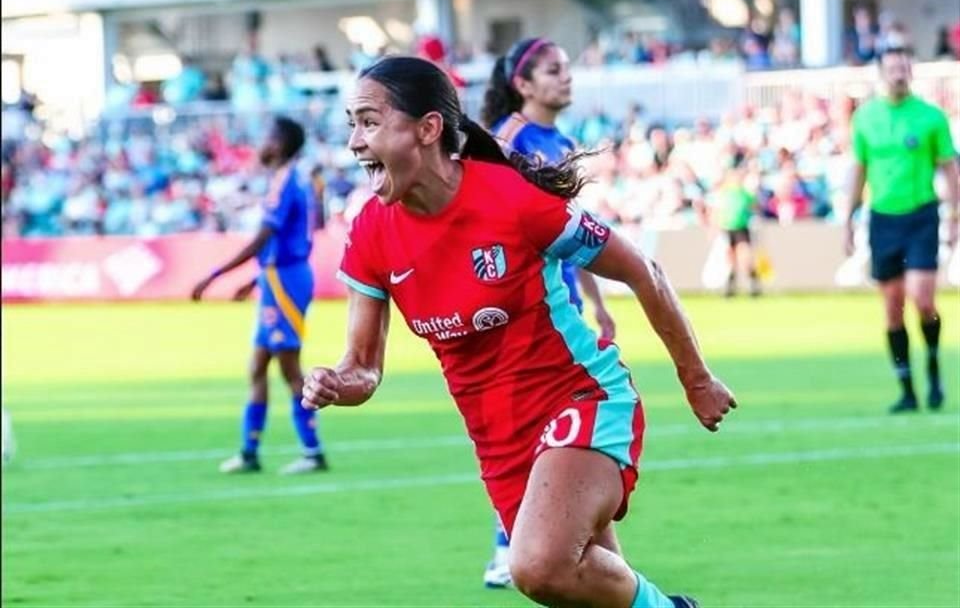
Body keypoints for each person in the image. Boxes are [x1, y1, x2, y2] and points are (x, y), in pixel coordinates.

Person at [302, 56, 735, 608]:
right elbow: (363, 367)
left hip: (580, 397)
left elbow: (642, 272)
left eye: (368, 122)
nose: (354, 143)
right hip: (499, 440)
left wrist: (695, 379)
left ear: (428, 128)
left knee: (535, 566)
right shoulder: (369, 233)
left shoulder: (512, 201)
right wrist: (338, 382)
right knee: (589, 586)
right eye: (351, 124)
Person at [479, 35, 617, 588]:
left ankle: (546, 543)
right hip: (518, 304)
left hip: (560, 305)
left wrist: (599, 302)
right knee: (521, 425)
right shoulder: (506, 140)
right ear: (523, 84)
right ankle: (511, 544)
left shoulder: (560, 141)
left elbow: (572, 232)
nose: (566, 77)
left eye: (567, 68)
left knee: (558, 423)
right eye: (553, 70)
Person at [192, 116, 329, 474]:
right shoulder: (288, 180)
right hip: (274, 278)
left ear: (280, 145)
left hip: (285, 280)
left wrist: (214, 276)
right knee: (257, 367)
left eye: (267, 138)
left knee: (288, 367)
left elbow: (262, 239)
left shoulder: (285, 182)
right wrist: (255, 281)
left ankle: (313, 452)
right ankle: (250, 453)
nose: (260, 144)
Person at [845, 47, 959, 413]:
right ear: (881, 73)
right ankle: (907, 390)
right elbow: (858, 170)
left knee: (923, 300)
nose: (898, 73)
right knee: (892, 308)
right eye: (892, 68)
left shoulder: (930, 117)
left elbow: (949, 169)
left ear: (911, 72)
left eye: (903, 67)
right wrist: (848, 217)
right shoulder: (865, 118)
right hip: (883, 219)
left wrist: (955, 214)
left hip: (922, 215)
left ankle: (934, 369)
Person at [707, 154, 762, 298]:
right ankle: (731, 288)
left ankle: (753, 284)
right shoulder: (723, 193)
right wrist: (713, 229)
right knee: (730, 259)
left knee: (745, 257)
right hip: (727, 228)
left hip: (741, 228)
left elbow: (755, 207)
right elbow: (715, 213)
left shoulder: (744, 193)